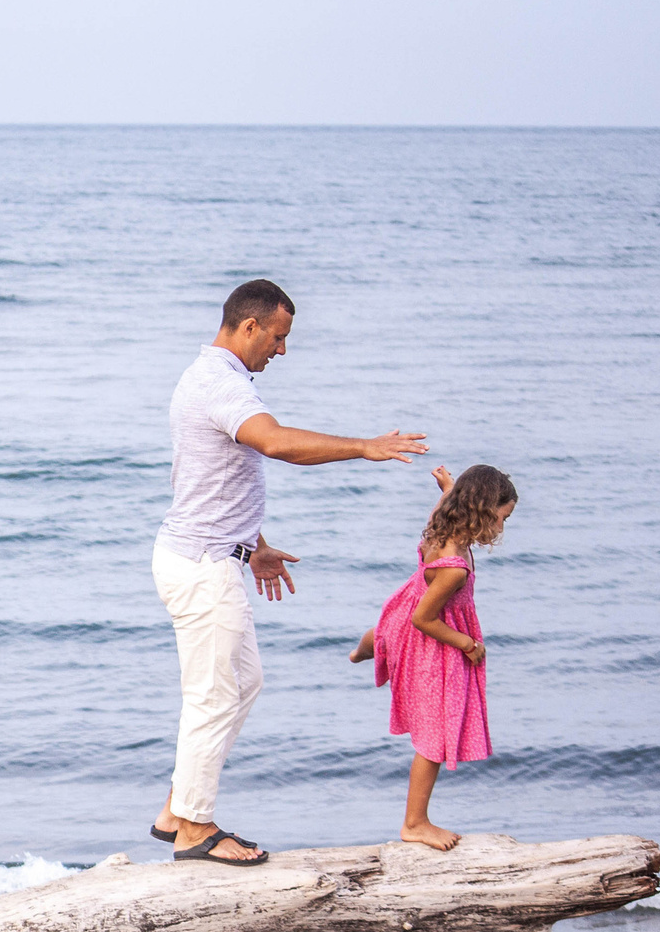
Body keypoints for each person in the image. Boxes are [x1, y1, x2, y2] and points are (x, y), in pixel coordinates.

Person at [149, 279, 431, 865]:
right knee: (214, 694)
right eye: (277, 338)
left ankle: (178, 807)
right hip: (201, 567)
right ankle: (195, 829)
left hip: (209, 555)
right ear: (249, 327)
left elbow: (215, 484)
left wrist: (257, 547)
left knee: (240, 684)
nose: (281, 350)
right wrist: (364, 447)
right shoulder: (219, 385)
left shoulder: (217, 380)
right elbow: (274, 444)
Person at [351, 464, 518, 851]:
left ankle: (366, 649)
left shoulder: (440, 528)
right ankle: (415, 823)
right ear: (481, 511)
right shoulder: (454, 569)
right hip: (428, 633)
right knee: (434, 739)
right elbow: (424, 619)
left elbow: (444, 505)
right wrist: (466, 644)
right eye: (502, 517)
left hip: (401, 614)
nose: (502, 527)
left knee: (388, 633)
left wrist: (447, 488)